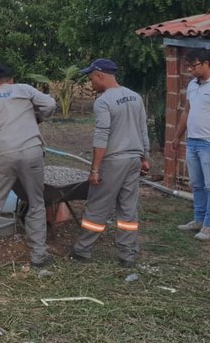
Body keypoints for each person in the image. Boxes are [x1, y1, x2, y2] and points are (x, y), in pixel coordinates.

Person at [0, 64, 56, 269]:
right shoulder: (24, 89)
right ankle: (39, 256)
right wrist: (38, 117)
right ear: (11, 80)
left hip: (3, 154)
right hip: (32, 151)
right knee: (36, 203)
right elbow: (50, 104)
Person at [68, 59, 149, 267]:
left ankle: (82, 249)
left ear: (100, 75)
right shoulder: (135, 97)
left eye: (91, 78)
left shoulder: (103, 102)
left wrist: (95, 169)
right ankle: (128, 254)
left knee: (98, 205)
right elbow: (143, 129)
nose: (90, 83)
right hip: (134, 160)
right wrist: (145, 157)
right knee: (128, 208)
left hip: (114, 161)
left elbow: (101, 137)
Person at [169, 48, 210, 242]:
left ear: (206, 63)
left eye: (193, 65)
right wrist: (177, 136)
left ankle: (209, 225)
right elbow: (186, 112)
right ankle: (198, 219)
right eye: (187, 66)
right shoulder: (192, 85)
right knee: (196, 184)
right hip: (193, 141)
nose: (190, 69)